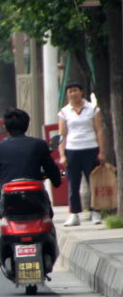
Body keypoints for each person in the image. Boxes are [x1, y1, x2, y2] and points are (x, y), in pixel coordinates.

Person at [0, 108, 62, 219]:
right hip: (37, 202)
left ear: (5, 128)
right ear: (27, 125)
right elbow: (54, 174)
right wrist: (56, 180)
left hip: (7, 204)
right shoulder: (39, 145)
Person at [57, 81, 106, 226]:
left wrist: (102, 151)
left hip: (91, 148)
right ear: (67, 94)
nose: (72, 94)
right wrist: (62, 155)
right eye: (70, 91)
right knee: (73, 183)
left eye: (75, 90)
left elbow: (99, 130)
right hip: (72, 150)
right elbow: (62, 134)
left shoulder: (92, 109)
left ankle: (95, 212)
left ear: (81, 92)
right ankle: (74, 214)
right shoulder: (64, 112)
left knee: (93, 182)